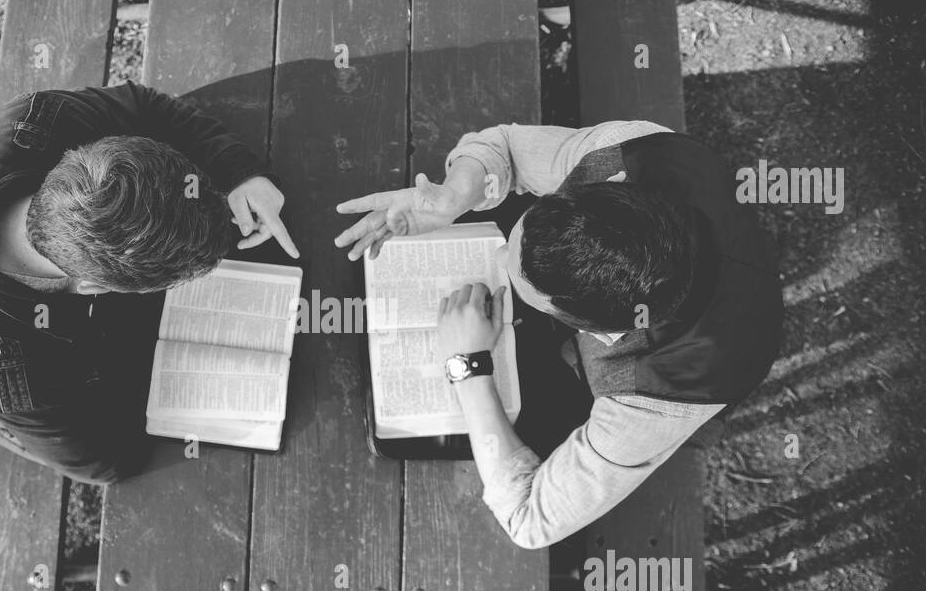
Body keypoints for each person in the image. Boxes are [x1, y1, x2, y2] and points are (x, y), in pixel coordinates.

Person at [333, 121, 781, 548]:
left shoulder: (653, 402)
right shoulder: (631, 148)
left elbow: (529, 520)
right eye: (520, 232)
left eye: (516, 271)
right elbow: (505, 145)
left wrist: (468, 370)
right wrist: (455, 194)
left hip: (720, 345)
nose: (502, 248)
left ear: (579, 324)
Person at [0, 82, 296, 484]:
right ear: (93, 289)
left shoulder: (44, 122)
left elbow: (148, 107)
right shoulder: (14, 377)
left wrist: (239, 172)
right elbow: (107, 462)